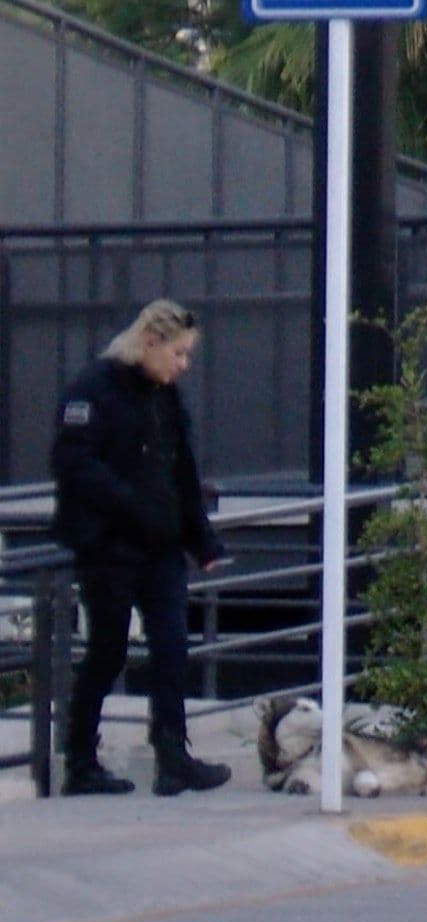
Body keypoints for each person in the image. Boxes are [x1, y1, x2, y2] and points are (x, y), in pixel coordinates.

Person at [50, 299, 231, 797]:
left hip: (162, 548)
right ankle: (81, 761)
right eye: (177, 353)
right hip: (108, 546)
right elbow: (74, 463)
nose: (182, 365)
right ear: (149, 342)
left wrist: (202, 539)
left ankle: (173, 756)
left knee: (172, 648)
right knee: (107, 652)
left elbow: (181, 472)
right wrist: (131, 506)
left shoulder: (163, 396)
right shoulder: (94, 390)